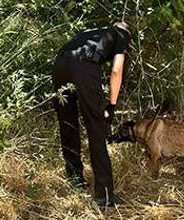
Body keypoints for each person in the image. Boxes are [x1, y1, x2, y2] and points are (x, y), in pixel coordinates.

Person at [52, 21, 131, 208]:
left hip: (60, 64)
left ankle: (74, 178)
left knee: (67, 122)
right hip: (83, 66)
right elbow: (116, 70)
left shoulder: (93, 32)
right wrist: (111, 105)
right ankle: (104, 195)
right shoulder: (121, 35)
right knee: (97, 127)